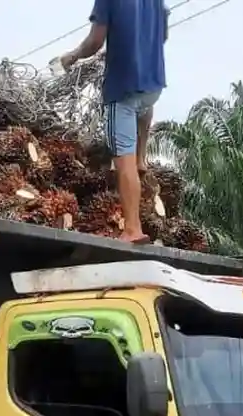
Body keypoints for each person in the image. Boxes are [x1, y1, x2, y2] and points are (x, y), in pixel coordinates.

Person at [59, 0, 169, 244]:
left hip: (122, 89)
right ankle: (142, 157)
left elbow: (95, 41)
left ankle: (132, 229)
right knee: (145, 105)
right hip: (153, 83)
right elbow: (164, 35)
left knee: (122, 159)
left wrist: (73, 56)